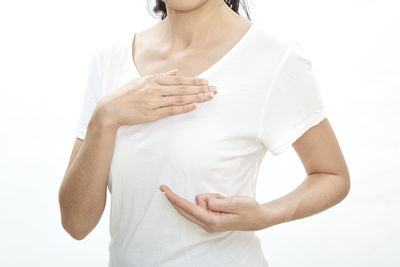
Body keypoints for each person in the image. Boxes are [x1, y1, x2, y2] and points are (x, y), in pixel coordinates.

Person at [59, 0, 351, 266]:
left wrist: (267, 215)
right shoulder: (111, 62)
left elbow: (332, 175)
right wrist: (104, 118)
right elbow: (76, 224)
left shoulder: (273, 57)